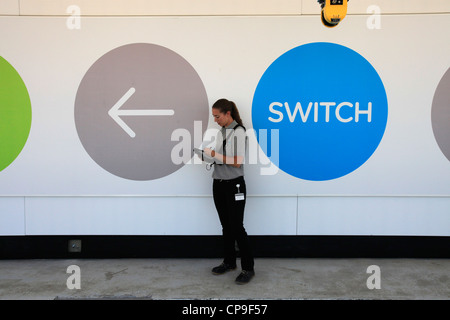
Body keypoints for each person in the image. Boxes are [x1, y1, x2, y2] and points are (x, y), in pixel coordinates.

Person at [203, 98, 255, 284]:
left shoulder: (239, 132)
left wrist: (214, 154)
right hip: (219, 183)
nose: (215, 120)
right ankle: (229, 262)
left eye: (217, 116)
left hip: (234, 185)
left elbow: (236, 161)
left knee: (237, 228)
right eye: (214, 117)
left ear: (228, 114)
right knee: (226, 226)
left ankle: (248, 268)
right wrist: (206, 156)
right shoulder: (221, 132)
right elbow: (220, 157)